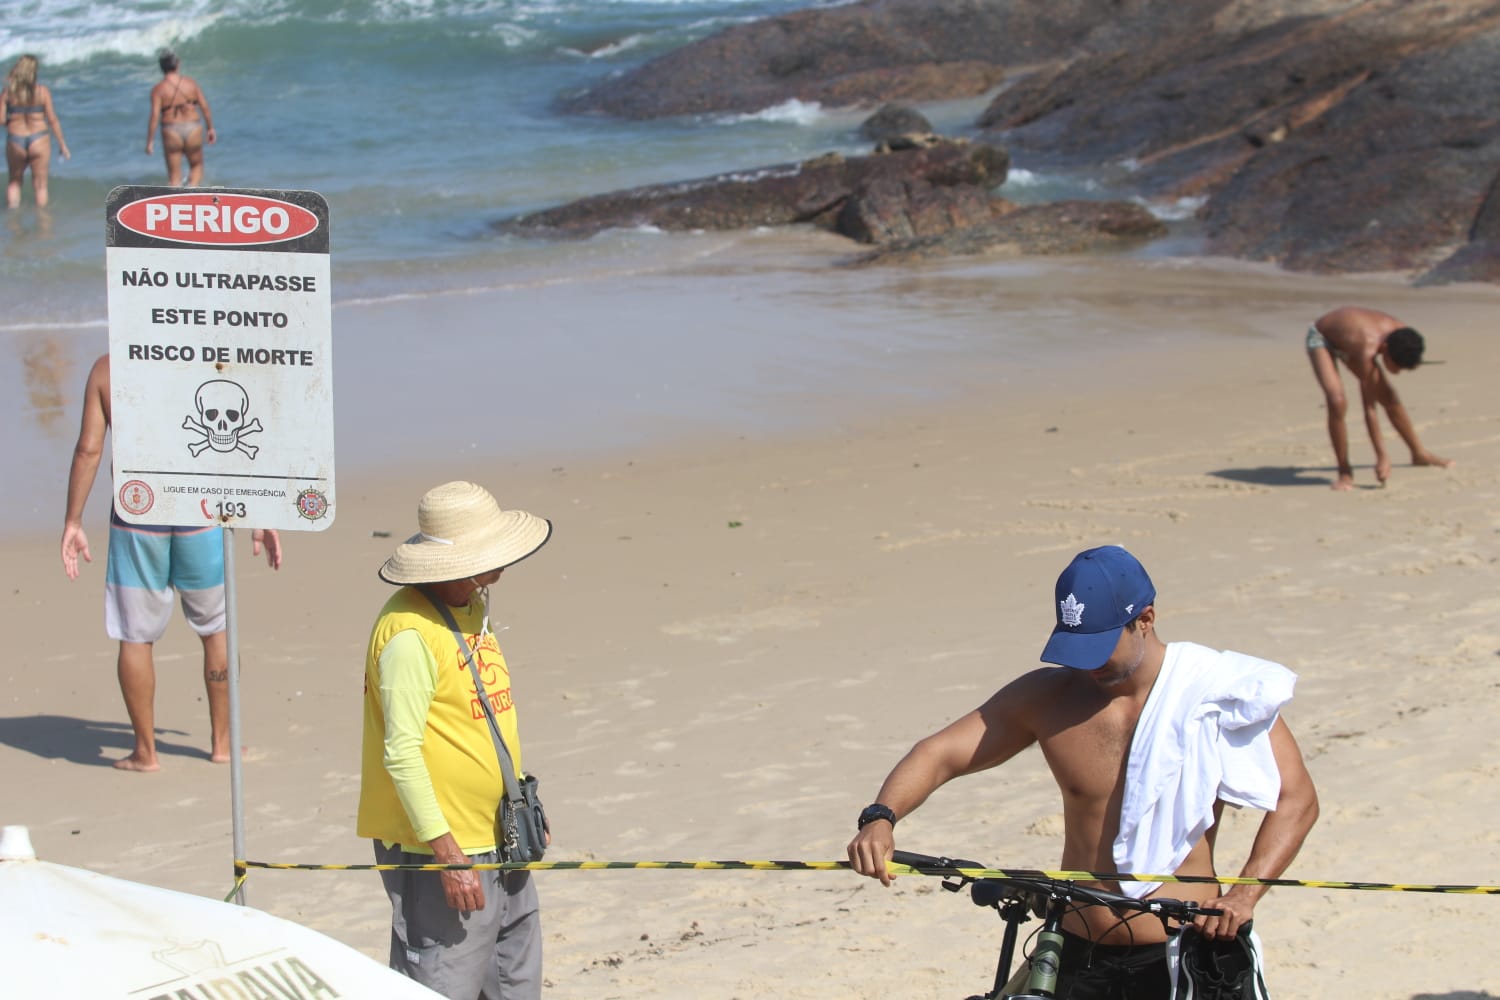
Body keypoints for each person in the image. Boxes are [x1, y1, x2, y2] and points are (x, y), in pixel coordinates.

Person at [847, 545, 1319, 1000]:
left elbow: (1297, 801)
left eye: (1098, 647)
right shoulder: (1049, 698)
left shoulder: (1217, 693)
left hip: (1181, 954)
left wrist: (1244, 896)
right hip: (1073, 954)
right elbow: (940, 753)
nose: (1085, 666)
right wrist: (881, 817)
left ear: (1145, 619)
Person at [358, 481, 554, 999]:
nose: (503, 566)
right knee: (443, 985)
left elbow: (481, 720)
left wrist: (521, 803)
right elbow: (400, 754)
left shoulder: (473, 608)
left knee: (516, 980)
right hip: (446, 856)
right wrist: (448, 855)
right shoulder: (408, 634)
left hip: (500, 841)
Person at [61, 354, 282, 772]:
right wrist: (259, 512)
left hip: (137, 513)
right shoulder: (203, 360)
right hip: (200, 511)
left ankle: (146, 752)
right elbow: (243, 445)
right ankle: (222, 744)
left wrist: (73, 520)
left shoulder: (108, 369)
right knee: (216, 628)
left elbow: (89, 449)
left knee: (135, 635)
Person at [1306, 305, 1454, 491]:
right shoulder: (1365, 350)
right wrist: (1382, 456)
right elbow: (1369, 409)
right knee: (1337, 401)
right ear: (1384, 348)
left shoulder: (1404, 335)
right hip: (1322, 337)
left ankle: (1419, 454)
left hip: (1350, 337)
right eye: (1396, 367)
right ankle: (1344, 471)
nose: (1398, 372)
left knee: (1389, 397)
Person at [3, 54, 70, 208]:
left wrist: (13, 123)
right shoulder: (42, 91)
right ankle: (43, 225)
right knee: (40, 186)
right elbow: (52, 120)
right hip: (39, 139)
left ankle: (13, 222)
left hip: (15, 139)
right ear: (34, 72)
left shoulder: (8, 93)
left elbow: (1, 119)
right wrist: (62, 145)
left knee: (14, 182)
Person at [146, 48, 215, 187]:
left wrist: (150, 141)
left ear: (161, 67)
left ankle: (177, 201)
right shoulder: (191, 83)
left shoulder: (158, 89)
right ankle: (192, 189)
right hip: (192, 127)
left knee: (174, 178)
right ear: (177, 64)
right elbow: (204, 107)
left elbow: (154, 115)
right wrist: (210, 128)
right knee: (196, 166)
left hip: (171, 129)